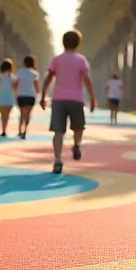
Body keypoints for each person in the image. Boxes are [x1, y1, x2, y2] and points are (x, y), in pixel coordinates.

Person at [40, 29, 96, 175]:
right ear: (78, 44)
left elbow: (48, 78)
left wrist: (43, 95)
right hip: (76, 99)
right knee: (79, 127)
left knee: (58, 132)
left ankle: (58, 160)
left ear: (62, 43)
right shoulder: (81, 60)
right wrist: (92, 97)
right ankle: (77, 144)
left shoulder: (56, 60)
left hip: (59, 99)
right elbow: (87, 80)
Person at [15, 55, 40, 139]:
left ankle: (19, 130)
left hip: (21, 95)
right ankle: (25, 130)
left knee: (22, 113)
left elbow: (17, 82)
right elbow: (36, 85)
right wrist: (38, 92)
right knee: (28, 114)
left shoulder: (20, 71)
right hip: (30, 95)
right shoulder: (34, 73)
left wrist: (15, 90)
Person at [0, 59, 17, 136]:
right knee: (7, 115)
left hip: (1, 97)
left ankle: (3, 129)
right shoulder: (13, 77)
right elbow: (15, 87)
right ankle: (5, 129)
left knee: (2, 115)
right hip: (9, 97)